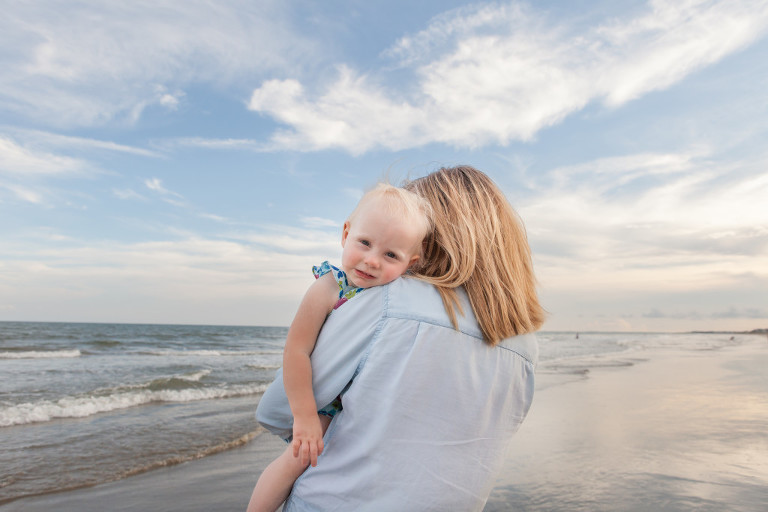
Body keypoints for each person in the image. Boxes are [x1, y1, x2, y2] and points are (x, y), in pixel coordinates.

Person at [252, 165, 545, 511]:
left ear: (430, 242)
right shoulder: (525, 344)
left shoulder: (390, 300)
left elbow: (276, 411)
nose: (376, 260)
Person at [247, 183, 433, 512]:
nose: (372, 260)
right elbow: (296, 352)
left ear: (411, 263)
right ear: (346, 233)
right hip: (320, 403)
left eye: (391, 255)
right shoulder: (330, 287)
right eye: (365, 243)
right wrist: (304, 417)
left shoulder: (398, 295)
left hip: (357, 403)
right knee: (296, 463)